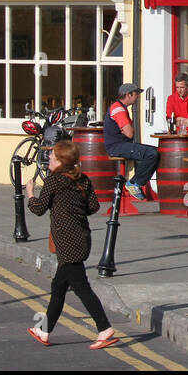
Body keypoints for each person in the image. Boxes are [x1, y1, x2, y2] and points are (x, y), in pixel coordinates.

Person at [25, 140, 117, 349]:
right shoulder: (83, 180)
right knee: (58, 287)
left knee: (81, 287)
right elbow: (93, 206)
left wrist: (30, 193)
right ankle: (44, 331)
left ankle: (104, 328)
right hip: (82, 237)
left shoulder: (54, 181)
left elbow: (38, 209)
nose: (49, 159)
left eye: (53, 157)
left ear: (61, 161)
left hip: (67, 241)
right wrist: (73, 210)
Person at [103, 83, 157, 200]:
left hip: (122, 144)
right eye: (136, 94)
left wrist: (127, 129)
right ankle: (135, 183)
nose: (137, 96)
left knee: (156, 151)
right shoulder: (118, 109)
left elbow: (128, 132)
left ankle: (137, 182)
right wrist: (128, 129)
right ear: (128, 95)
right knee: (152, 154)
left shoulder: (120, 108)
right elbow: (130, 133)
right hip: (117, 146)